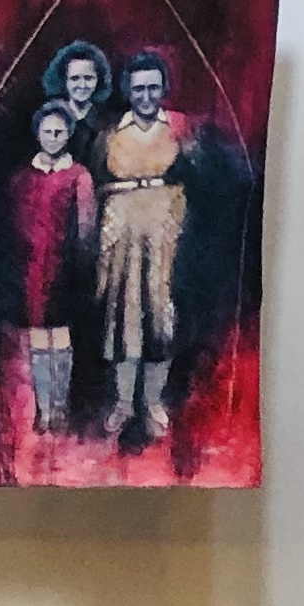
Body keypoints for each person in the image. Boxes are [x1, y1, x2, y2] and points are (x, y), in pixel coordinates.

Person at [93, 50, 198, 446]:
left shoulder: (179, 130)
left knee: (159, 317)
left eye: (153, 87)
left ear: (163, 89)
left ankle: (153, 401)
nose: (146, 96)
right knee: (124, 316)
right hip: (122, 232)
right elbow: (99, 182)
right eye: (138, 89)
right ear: (127, 91)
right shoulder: (112, 133)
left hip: (165, 231)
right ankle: (123, 402)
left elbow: (197, 175)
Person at [11, 101, 96, 438]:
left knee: (59, 336)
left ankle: (59, 406)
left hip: (65, 267)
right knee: (36, 338)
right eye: (47, 131)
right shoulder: (22, 178)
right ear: (38, 134)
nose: (53, 137)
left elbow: (86, 226)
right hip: (32, 268)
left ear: (68, 134)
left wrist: (79, 266)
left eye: (60, 131)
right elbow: (15, 224)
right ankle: (43, 408)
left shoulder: (79, 176)